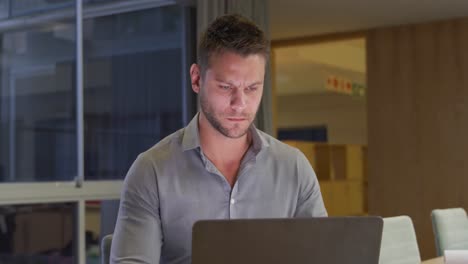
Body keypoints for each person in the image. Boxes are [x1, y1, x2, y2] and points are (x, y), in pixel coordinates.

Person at [110, 14, 327, 264]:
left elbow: (321, 256)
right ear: (196, 79)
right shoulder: (152, 172)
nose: (240, 104)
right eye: (226, 87)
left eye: (252, 88)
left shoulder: (294, 168)